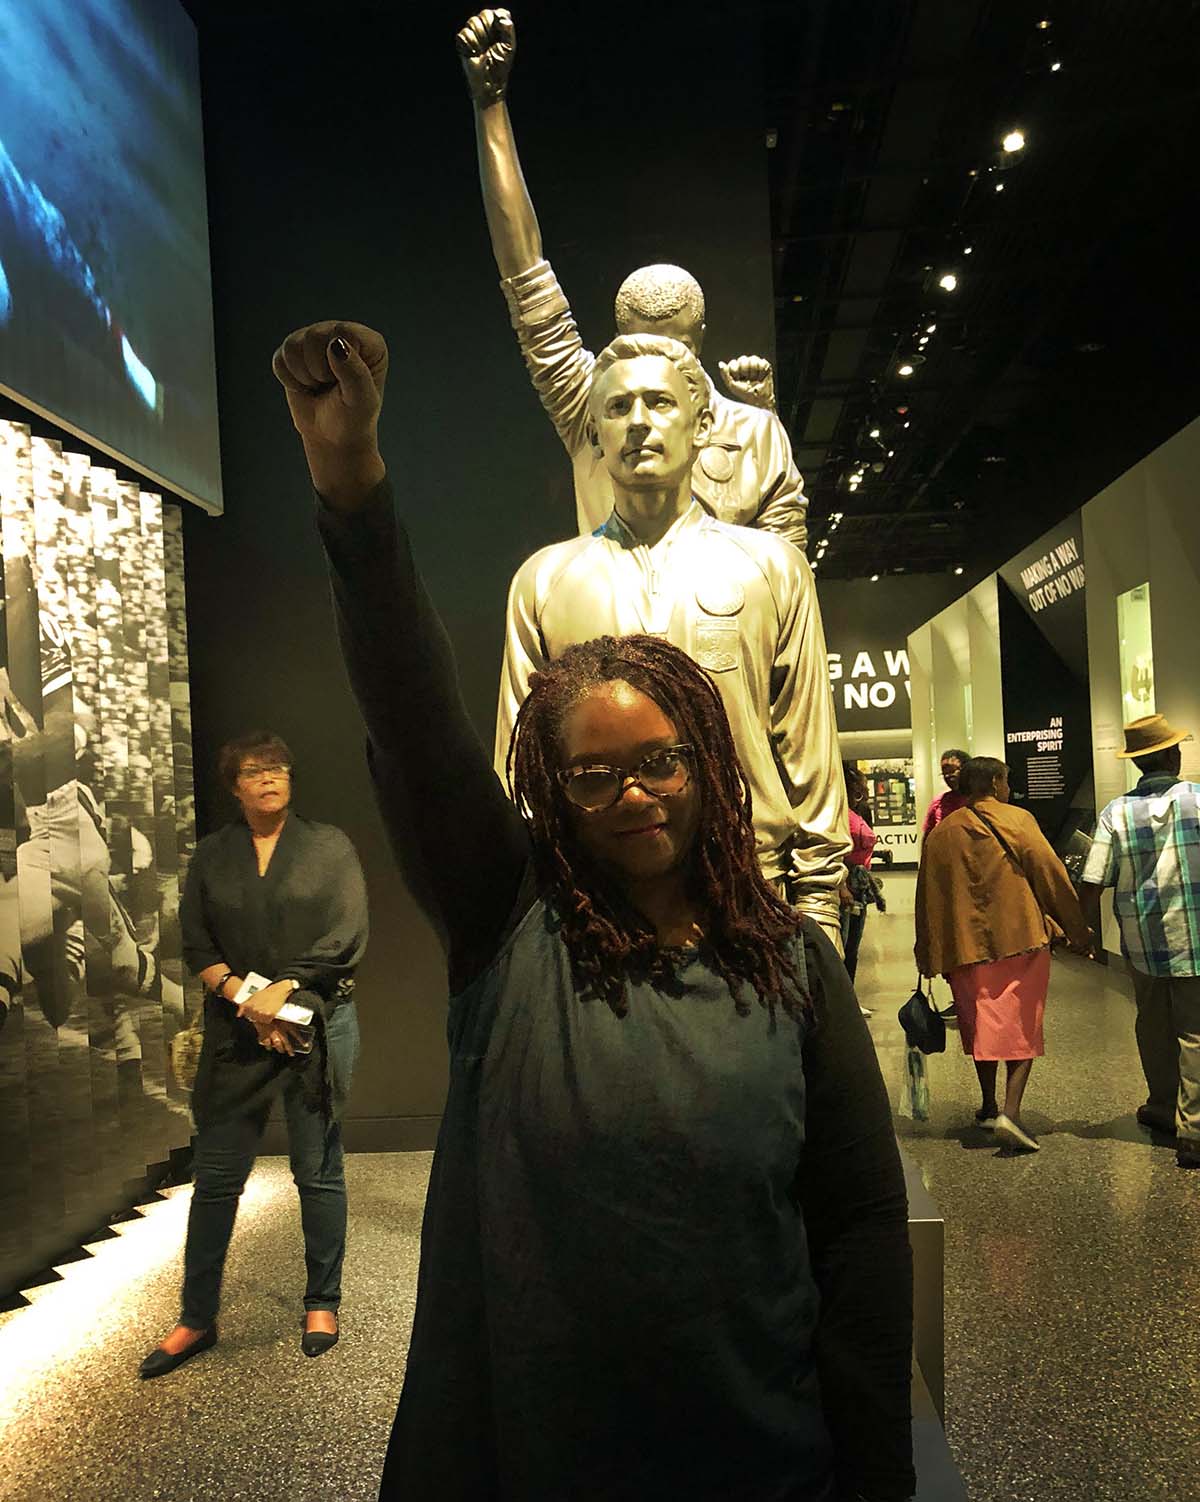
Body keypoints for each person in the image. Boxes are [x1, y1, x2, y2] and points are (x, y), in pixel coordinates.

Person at [274, 318, 916, 1502]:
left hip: (755, 1459)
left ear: (706, 766)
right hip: (536, 1457)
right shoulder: (510, 928)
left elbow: (862, 1228)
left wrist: (872, 1465)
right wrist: (350, 486)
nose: (632, 795)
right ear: (551, 784)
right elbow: (417, 723)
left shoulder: (788, 967)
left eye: (662, 761)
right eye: (592, 771)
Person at [493, 328, 849, 942]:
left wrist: (818, 916)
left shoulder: (771, 569)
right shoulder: (546, 581)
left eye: (659, 403)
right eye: (617, 406)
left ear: (702, 422)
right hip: (595, 911)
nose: (638, 422)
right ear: (595, 433)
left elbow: (808, 749)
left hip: (748, 893)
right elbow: (520, 771)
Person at [455, 8, 808, 547]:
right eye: (642, 346)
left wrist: (764, 416)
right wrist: (490, 107)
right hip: (609, 623)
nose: (658, 366)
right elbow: (525, 273)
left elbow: (789, 580)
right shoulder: (593, 407)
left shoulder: (755, 432)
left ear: (698, 344)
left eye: (675, 349)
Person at [138, 733, 367, 1376]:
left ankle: (322, 1300)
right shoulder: (212, 856)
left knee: (318, 1168)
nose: (269, 778)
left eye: (278, 768)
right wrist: (248, 997)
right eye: (253, 771)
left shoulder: (330, 847)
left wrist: (284, 989)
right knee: (215, 1180)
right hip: (236, 1030)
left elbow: (347, 934)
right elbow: (196, 942)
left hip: (317, 1022)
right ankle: (195, 1317)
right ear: (233, 787)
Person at [915, 756, 1091, 1152]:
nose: (1008, 788)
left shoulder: (943, 833)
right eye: (1006, 781)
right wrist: (1078, 930)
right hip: (1019, 939)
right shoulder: (1018, 819)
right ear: (995, 783)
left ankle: (988, 1104)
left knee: (979, 1025)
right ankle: (1010, 1113)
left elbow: (926, 895)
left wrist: (927, 952)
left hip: (963, 947)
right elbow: (1049, 872)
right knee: (1020, 1026)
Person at [1078, 715, 1200, 1169]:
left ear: (1138, 763)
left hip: (1142, 941)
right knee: (1195, 1033)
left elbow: (1093, 881)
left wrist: (1084, 934)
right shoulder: (1198, 800)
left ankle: (1163, 1106)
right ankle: (1195, 1131)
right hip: (1196, 938)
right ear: (1172, 755)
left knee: (1152, 1025)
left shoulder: (1116, 812)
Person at [840, 766, 881, 986]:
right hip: (845, 883)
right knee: (844, 945)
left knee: (853, 946)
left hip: (859, 884)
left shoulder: (858, 811)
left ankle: (849, 997)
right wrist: (841, 887)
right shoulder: (836, 814)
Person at [920, 747, 968, 837]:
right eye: (944, 773)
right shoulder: (939, 802)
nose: (948, 776)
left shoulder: (979, 799)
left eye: (952, 771)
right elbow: (928, 836)